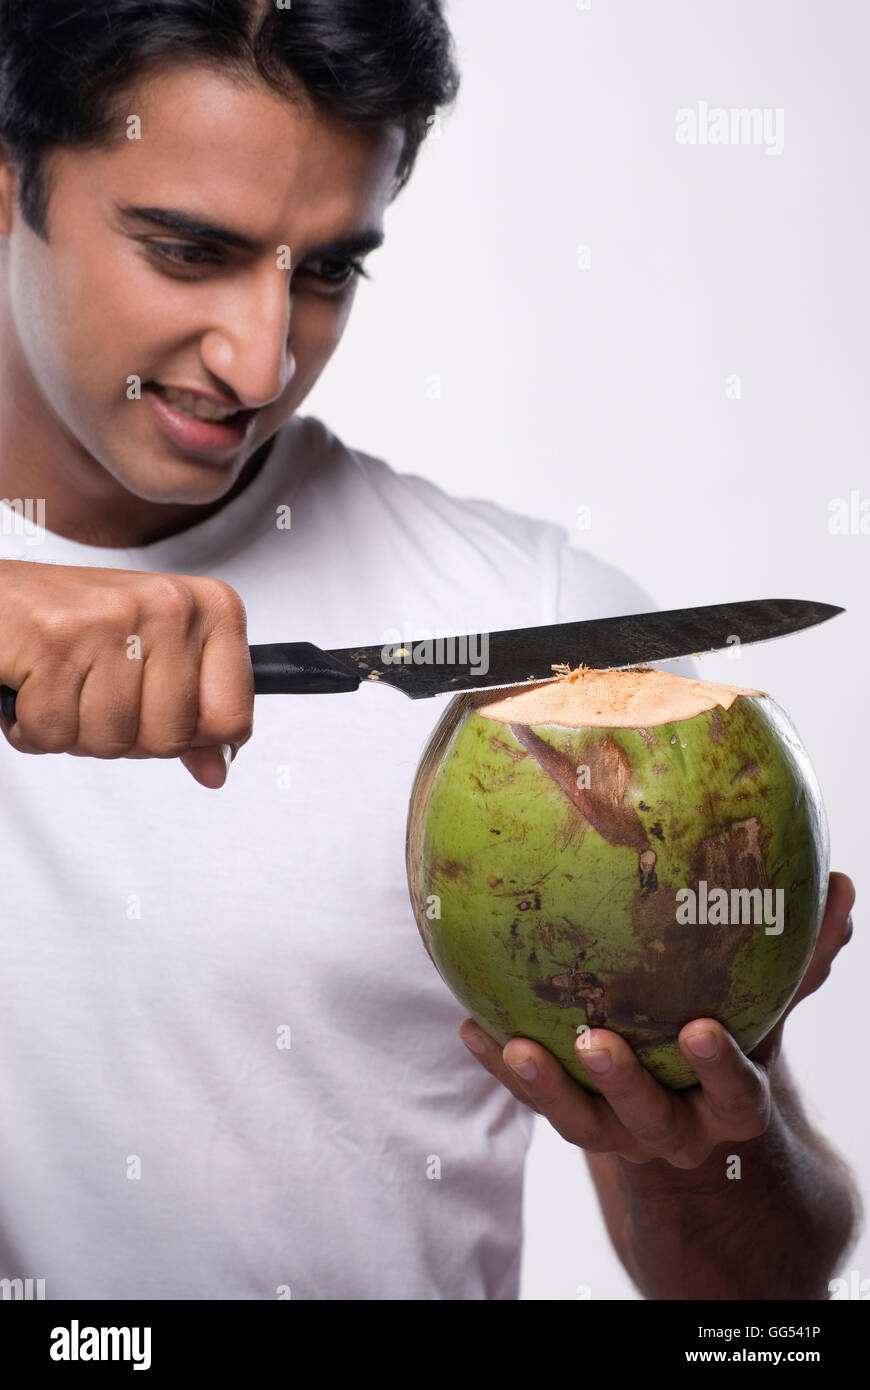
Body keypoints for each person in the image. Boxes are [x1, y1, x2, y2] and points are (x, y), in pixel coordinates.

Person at [0, 0, 859, 1302]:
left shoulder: (538, 643)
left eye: (329, 269)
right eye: (188, 251)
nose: (259, 357)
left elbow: (758, 1296)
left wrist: (698, 1153)